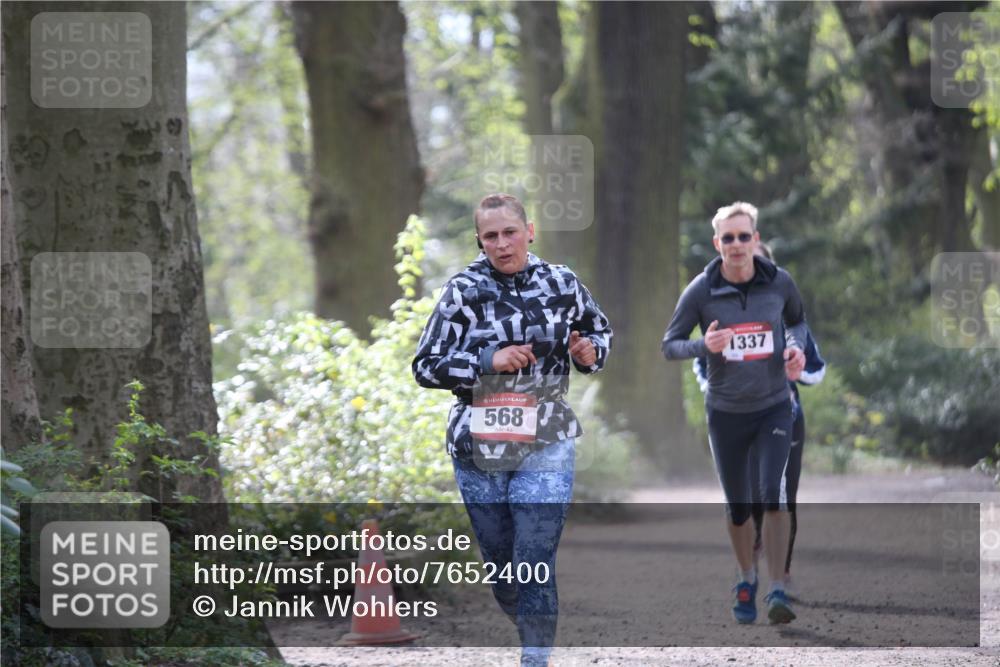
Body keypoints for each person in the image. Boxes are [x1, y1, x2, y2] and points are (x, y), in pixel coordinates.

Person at [413, 193, 613, 666]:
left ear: (530, 231)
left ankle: (535, 659)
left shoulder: (562, 283)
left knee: (534, 557)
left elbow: (598, 330)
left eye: (509, 232)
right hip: (477, 443)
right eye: (490, 236)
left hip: (546, 434)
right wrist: (487, 360)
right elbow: (425, 365)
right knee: (505, 573)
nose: (502, 244)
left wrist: (590, 353)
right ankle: (531, 627)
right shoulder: (463, 290)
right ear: (480, 242)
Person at [661, 202, 807, 625]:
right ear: (717, 243)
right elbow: (669, 344)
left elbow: (797, 322)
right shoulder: (701, 291)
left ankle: (778, 588)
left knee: (774, 495)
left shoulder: (780, 282)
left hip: (774, 407)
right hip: (725, 413)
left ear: (756, 240)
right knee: (739, 506)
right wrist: (703, 347)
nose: (737, 244)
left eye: (745, 236)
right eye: (729, 238)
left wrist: (794, 348)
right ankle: (747, 577)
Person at [693, 242, 826, 596]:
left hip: (784, 417)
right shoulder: (722, 317)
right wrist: (719, 390)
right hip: (735, 417)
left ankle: (781, 574)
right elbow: (701, 366)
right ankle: (750, 560)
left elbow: (817, 368)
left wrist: (797, 372)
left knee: (782, 497)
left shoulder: (787, 318)